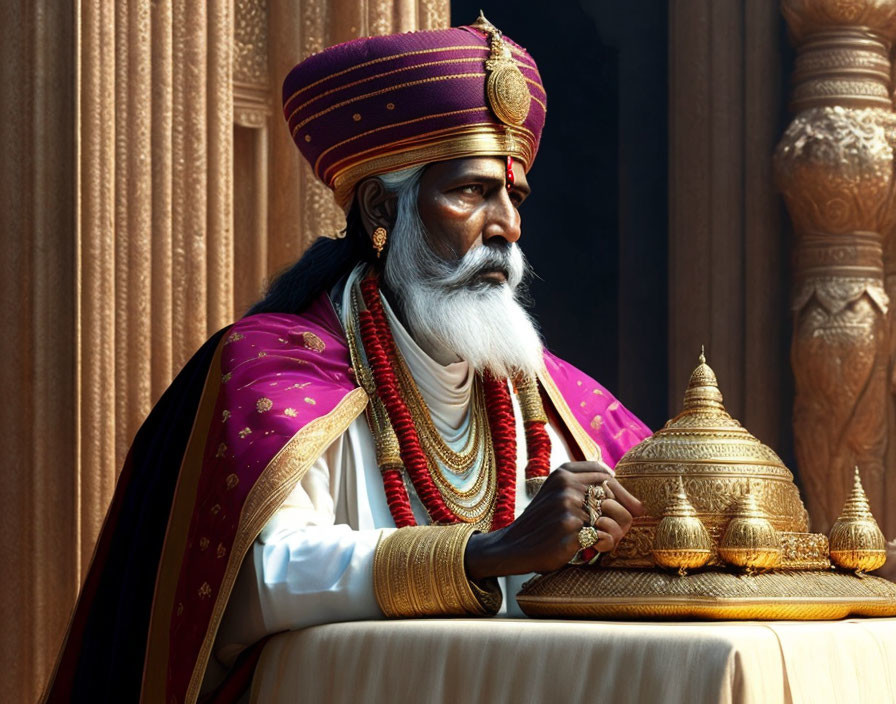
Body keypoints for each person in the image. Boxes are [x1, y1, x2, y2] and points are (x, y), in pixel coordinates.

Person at [44, 14, 651, 704]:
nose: (506, 226)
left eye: (514, 196)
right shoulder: (276, 369)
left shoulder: (548, 395)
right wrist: (488, 552)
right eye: (471, 191)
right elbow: (260, 574)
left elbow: (677, 505)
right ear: (376, 207)